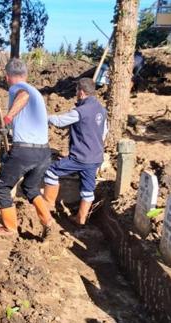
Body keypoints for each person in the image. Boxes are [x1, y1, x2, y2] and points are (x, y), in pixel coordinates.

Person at [0, 58, 53, 237]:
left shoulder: (18, 88)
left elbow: (22, 96)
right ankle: (48, 220)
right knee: (31, 188)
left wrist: (7, 118)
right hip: (44, 152)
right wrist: (6, 127)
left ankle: (9, 229)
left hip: (25, 151)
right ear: (26, 74)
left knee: (2, 187)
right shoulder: (37, 93)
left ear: (7, 76)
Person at [43, 78, 108, 225]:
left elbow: (60, 122)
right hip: (95, 157)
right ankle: (81, 219)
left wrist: (44, 118)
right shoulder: (102, 110)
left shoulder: (81, 111)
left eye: (76, 90)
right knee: (87, 190)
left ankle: (48, 207)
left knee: (51, 172)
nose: (76, 93)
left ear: (82, 92)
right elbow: (104, 133)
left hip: (80, 157)